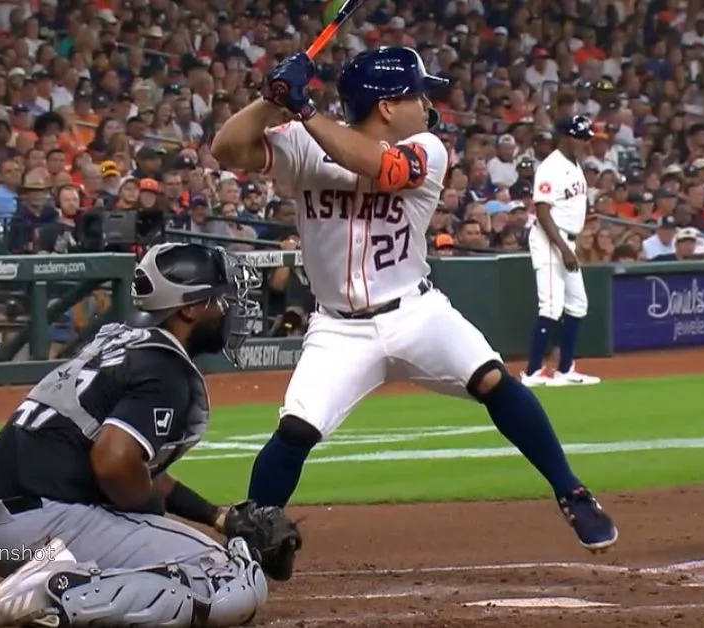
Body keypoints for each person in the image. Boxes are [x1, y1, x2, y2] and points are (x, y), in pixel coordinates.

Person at [210, 46, 618, 573]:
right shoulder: (303, 143)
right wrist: (270, 103)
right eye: (417, 93)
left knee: (493, 379)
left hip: (415, 312)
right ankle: (248, 547)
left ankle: (573, 491)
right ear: (386, 105)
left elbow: (383, 167)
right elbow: (226, 150)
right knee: (295, 430)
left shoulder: (428, 148)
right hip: (339, 328)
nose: (426, 104)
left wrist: (305, 109)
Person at [0, 243, 301, 628]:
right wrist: (150, 512)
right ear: (189, 308)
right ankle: (54, 595)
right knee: (232, 579)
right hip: (41, 528)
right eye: (219, 299)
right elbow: (113, 463)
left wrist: (216, 516)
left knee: (144, 513)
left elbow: (134, 463)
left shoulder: (118, 341)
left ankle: (55, 580)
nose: (228, 310)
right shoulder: (163, 369)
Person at [521, 115, 602, 387]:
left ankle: (565, 369)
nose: (586, 143)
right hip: (549, 240)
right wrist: (564, 249)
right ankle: (531, 372)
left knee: (578, 305)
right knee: (551, 306)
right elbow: (542, 213)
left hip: (567, 240)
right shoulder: (550, 167)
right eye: (582, 138)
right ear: (567, 137)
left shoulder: (575, 164)